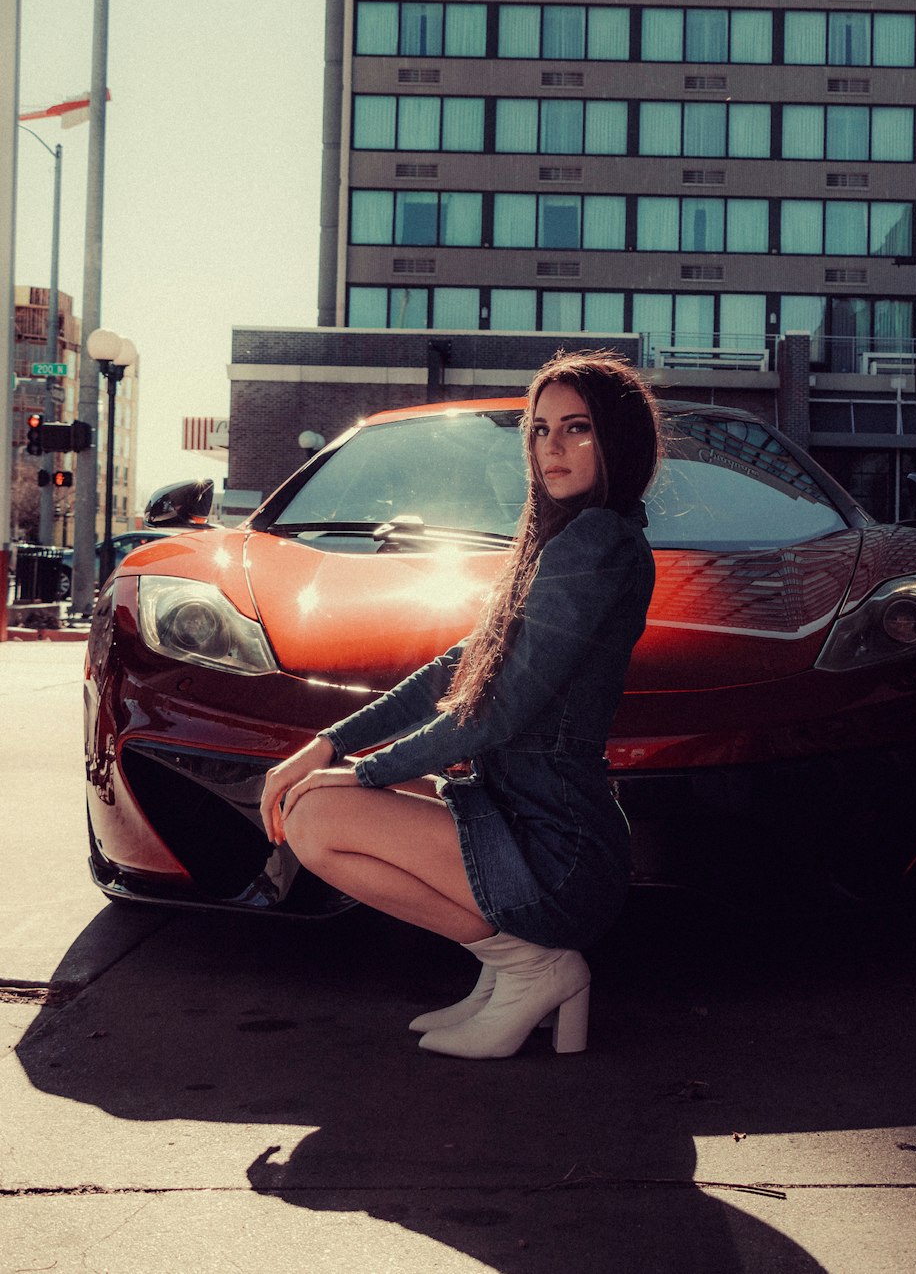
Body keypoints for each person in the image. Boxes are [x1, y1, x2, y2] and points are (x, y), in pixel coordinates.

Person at [258, 350, 660, 1060]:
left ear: (618, 440)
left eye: (578, 429)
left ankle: (534, 966)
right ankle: (510, 970)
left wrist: (361, 773)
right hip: (531, 820)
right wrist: (329, 743)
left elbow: (494, 713)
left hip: (555, 849)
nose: (552, 448)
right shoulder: (568, 541)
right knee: (315, 799)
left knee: (318, 816)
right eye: (539, 431)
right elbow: (457, 668)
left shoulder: (597, 541)